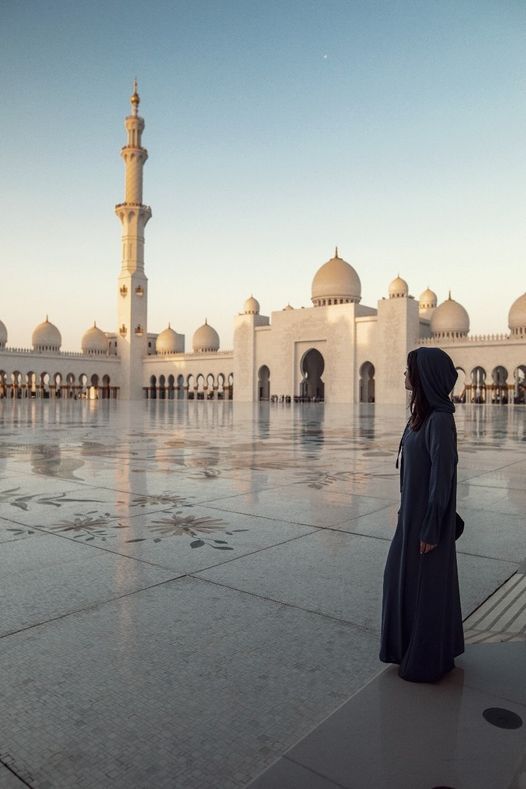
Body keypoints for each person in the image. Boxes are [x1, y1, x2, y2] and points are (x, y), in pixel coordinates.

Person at [379, 347, 464, 682]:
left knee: (424, 589)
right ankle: (406, 651)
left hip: (426, 523)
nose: (404, 375)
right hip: (410, 517)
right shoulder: (421, 416)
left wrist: (431, 529)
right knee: (399, 580)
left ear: (424, 376)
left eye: (409, 370)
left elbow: (441, 479)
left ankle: (427, 660)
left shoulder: (440, 421)